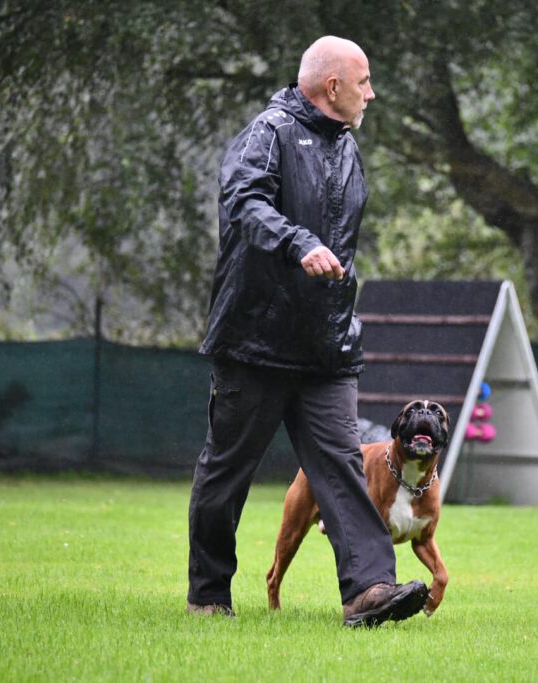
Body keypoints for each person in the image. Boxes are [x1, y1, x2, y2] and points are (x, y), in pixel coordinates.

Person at [186, 36, 428, 627]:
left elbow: (341, 246)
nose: (372, 92)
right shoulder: (267, 133)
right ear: (332, 87)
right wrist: (298, 242)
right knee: (227, 471)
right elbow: (243, 201)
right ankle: (209, 594)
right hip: (255, 343)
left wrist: (345, 316)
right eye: (364, 81)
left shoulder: (347, 148)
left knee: (342, 465)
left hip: (325, 349)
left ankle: (369, 591)